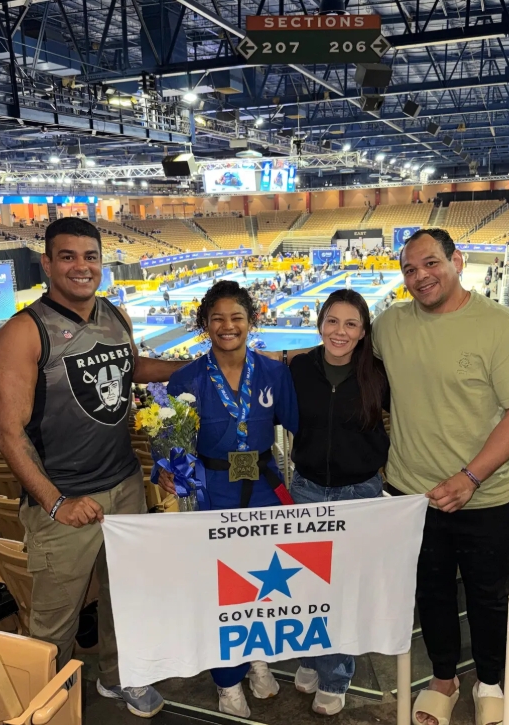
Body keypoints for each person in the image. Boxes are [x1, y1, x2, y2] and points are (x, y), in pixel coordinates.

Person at [0, 217, 187, 718]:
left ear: (102, 262)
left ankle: (119, 678)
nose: (82, 266)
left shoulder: (113, 314)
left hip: (124, 485)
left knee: (127, 597)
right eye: (68, 256)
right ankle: (45, 708)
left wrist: (196, 369)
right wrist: (56, 503)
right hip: (65, 500)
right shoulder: (23, 333)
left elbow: (131, 367)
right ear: (47, 263)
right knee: (55, 623)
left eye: (90, 256)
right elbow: (7, 433)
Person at [374, 229, 509, 725]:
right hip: (414, 495)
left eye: (431, 263)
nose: (420, 276)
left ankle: (489, 680)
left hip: (487, 496)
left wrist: (470, 477)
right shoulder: (390, 325)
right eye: (410, 269)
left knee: (487, 595)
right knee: (431, 594)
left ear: (458, 261)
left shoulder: (502, 326)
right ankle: (444, 679)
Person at [159, 280, 298, 719]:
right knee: (222, 589)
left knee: (265, 583)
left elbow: (300, 429)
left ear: (251, 321)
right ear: (205, 324)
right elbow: (170, 443)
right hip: (213, 492)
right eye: (217, 318)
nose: (227, 325)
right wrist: (166, 467)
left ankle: (258, 658)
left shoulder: (274, 374)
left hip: (264, 490)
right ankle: (226, 679)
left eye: (236, 317)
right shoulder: (186, 379)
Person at [288, 289, 389, 715]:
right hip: (307, 489)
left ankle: (336, 674)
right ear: (320, 324)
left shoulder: (379, 374)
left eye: (351, 324)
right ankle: (312, 656)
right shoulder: (300, 368)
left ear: (363, 331)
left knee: (343, 589)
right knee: (307, 584)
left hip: (358, 493)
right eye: (332, 321)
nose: (340, 331)